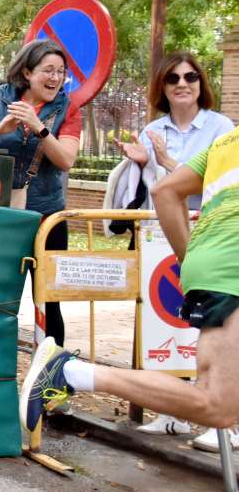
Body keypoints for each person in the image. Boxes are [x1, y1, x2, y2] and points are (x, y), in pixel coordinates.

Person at [21, 125, 239, 447]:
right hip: (231, 271)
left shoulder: (227, 141)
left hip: (212, 265)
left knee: (219, 402)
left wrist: (191, 261)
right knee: (218, 404)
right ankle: (69, 372)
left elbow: (165, 191)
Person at [110, 52, 234, 446]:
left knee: (213, 336)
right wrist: (146, 161)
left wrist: (167, 161)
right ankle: (180, 413)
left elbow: (206, 182)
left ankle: (222, 421)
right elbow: (160, 189)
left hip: (210, 235)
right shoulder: (152, 130)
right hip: (167, 236)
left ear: (202, 84)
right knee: (167, 327)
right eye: (173, 78)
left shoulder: (221, 127)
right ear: (162, 87)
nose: (183, 83)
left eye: (191, 77)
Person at [0, 39, 81, 347]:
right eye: (48, 70)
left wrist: (39, 127)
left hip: (47, 217)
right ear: (27, 72)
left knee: (49, 300)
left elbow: (66, 159)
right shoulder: (2, 98)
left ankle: (51, 379)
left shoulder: (68, 108)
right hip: (1, 212)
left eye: (61, 72)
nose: (55, 78)